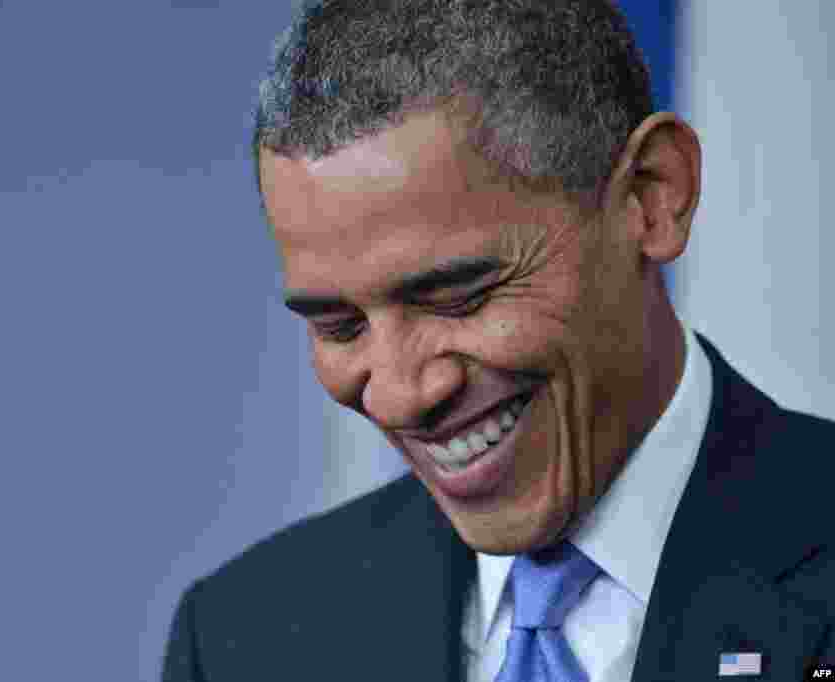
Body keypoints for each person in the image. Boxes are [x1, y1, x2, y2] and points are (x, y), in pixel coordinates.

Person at [162, 1, 835, 680]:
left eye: (459, 298)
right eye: (340, 326)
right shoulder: (240, 640)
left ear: (650, 197)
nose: (398, 397)